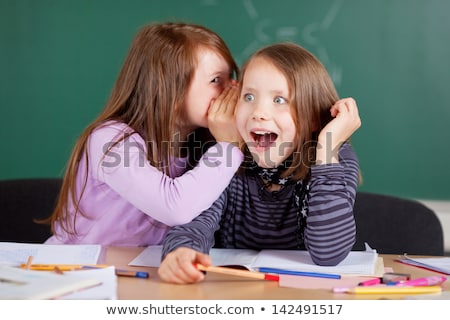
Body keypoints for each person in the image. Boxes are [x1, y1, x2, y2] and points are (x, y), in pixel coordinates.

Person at [158, 42, 362, 284]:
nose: (258, 112)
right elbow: (195, 223)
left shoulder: (333, 159)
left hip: (304, 293)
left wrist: (327, 149)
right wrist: (180, 253)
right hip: (232, 291)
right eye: (249, 96)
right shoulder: (225, 155)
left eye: (279, 100)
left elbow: (329, 254)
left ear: (314, 116)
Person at [44, 22, 244, 246]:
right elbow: (175, 208)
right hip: (77, 271)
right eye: (216, 80)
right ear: (171, 89)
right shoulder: (110, 140)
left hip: (142, 272)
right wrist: (228, 146)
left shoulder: (199, 144)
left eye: (231, 77)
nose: (233, 89)